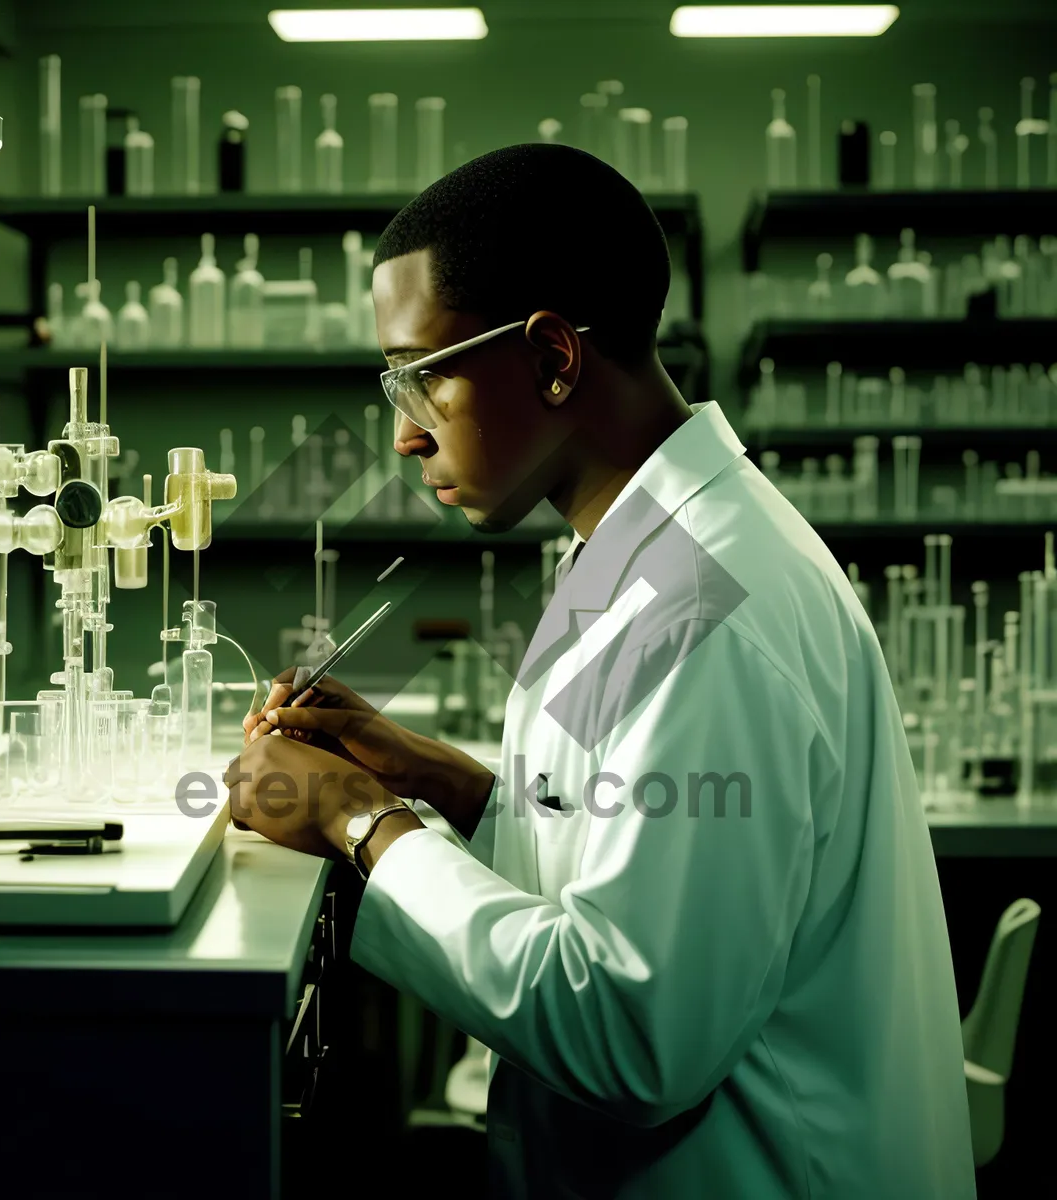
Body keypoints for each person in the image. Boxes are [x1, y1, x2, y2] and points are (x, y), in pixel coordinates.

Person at [226, 143, 976, 1198]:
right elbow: (607, 846)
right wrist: (437, 779)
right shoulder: (635, 544)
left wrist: (360, 822)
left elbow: (630, 1029)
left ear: (553, 357)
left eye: (421, 376)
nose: (403, 433)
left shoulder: (710, 607)